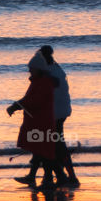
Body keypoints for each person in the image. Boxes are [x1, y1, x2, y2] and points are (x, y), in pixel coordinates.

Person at [20, 45, 80, 188]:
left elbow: (43, 97)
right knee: (50, 144)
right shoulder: (56, 69)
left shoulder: (48, 76)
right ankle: (46, 176)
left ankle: (63, 177)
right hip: (61, 111)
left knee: (51, 145)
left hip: (54, 114)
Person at [6, 57, 60, 191]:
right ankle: (36, 176)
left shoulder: (43, 83)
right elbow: (29, 99)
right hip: (38, 121)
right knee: (39, 151)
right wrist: (17, 105)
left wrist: (17, 106)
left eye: (31, 68)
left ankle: (48, 179)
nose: (29, 70)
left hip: (42, 122)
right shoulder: (38, 82)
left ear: (38, 69)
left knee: (44, 153)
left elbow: (35, 101)